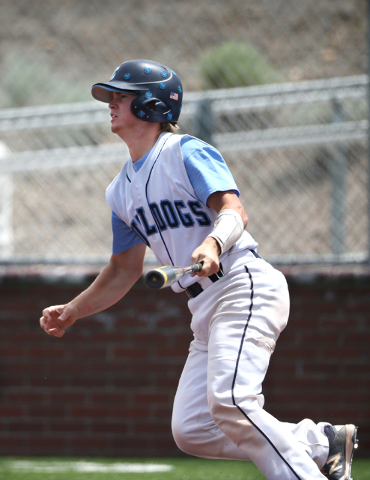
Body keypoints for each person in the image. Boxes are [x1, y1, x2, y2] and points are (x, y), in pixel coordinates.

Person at [40, 59, 358, 480]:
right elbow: (123, 270)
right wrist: (76, 309)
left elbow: (233, 209)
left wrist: (213, 242)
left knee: (230, 402)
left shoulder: (185, 151)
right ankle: (321, 442)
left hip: (243, 285)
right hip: (204, 305)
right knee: (192, 429)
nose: (111, 104)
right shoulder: (119, 191)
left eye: (122, 96)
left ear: (152, 105)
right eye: (111, 96)